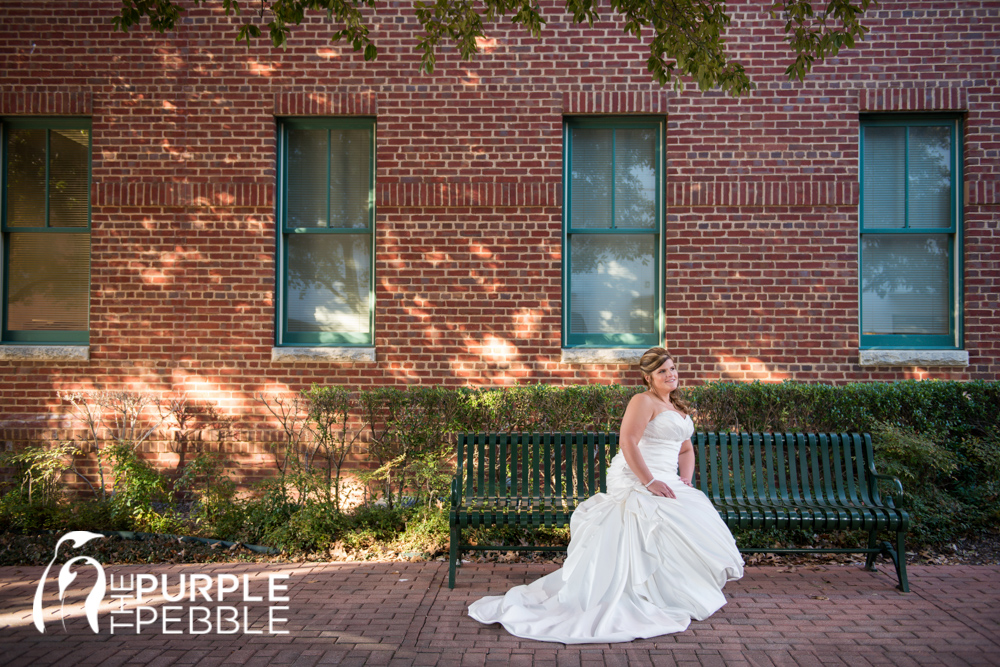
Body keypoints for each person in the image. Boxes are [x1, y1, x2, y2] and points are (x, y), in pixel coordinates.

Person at [467, 347, 744, 644]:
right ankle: (638, 591)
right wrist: (649, 481)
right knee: (653, 518)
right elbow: (628, 442)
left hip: (668, 478)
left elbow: (686, 449)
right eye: (662, 371)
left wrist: (685, 480)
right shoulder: (643, 401)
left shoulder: (679, 408)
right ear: (648, 377)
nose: (671, 374)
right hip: (638, 475)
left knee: (690, 513)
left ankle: (672, 591)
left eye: (673, 368)